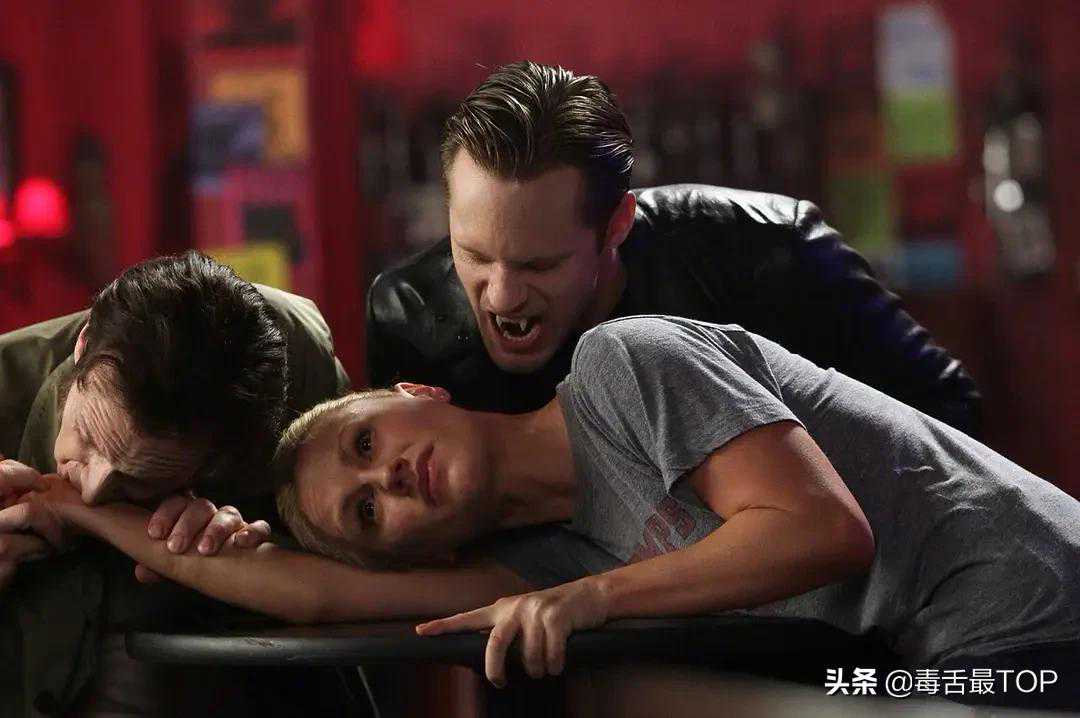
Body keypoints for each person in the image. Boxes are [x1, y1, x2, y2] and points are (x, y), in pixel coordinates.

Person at [37, 316, 1079, 711]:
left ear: (417, 394)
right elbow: (310, 595)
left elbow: (824, 531)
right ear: (414, 552)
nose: (388, 479)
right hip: (927, 668)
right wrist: (71, 508)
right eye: (366, 512)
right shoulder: (547, 561)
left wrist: (594, 600)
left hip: (1037, 616)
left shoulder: (624, 364)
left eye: (366, 445)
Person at [366, 60, 981, 436]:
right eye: (473, 254)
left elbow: (945, 412)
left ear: (616, 226)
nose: (501, 296)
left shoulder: (769, 251)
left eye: (539, 263)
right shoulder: (409, 315)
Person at [0, 251, 350, 716]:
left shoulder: (298, 386)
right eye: (87, 435)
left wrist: (258, 545)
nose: (93, 491)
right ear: (83, 345)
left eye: (141, 478)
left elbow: (353, 565)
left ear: (215, 465)